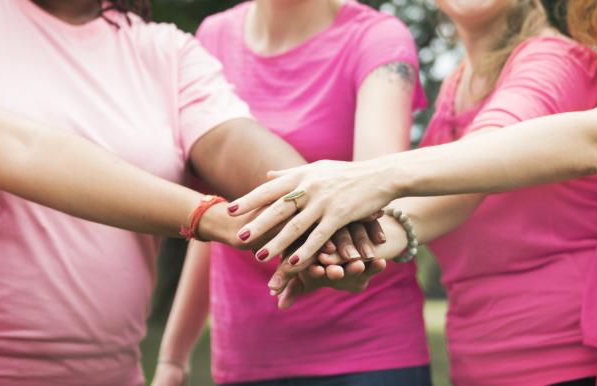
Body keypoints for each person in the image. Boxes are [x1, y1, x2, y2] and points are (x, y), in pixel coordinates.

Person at [230, 1, 597, 385]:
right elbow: (444, 200)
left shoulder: (555, 62)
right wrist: (355, 245)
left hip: (571, 360)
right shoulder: (460, 84)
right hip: (506, 358)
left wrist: (374, 179)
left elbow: (561, 145)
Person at [0, 1, 379, 384]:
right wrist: (209, 216)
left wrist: (321, 220)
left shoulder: (165, 50)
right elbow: (20, 152)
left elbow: (229, 139)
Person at [153, 1, 430, 385]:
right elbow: (222, 216)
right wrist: (172, 357)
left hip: (368, 352)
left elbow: (377, 189)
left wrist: (349, 259)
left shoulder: (378, 38)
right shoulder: (213, 37)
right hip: (247, 353)